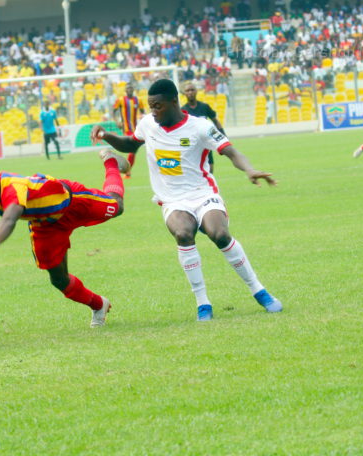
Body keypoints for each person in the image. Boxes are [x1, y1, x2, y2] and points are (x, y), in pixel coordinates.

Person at [90, 78, 282, 321]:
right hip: (172, 200)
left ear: (173, 102)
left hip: (203, 194)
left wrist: (250, 170)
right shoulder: (148, 123)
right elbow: (131, 143)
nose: (153, 111)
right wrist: (106, 135)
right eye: (150, 106)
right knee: (183, 233)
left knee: (220, 234)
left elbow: (231, 151)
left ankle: (259, 291)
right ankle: (203, 303)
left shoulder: (200, 127)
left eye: (157, 106)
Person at [0, 151, 130, 327]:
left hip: (73, 203)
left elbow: (9, 219)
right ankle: (98, 305)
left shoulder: (12, 187)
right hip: (44, 225)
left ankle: (110, 161)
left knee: (117, 206)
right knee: (58, 280)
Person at [181, 82, 226, 174]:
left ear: (196, 91)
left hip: (205, 142)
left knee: (210, 169)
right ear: (184, 93)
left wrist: (223, 136)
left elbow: (215, 121)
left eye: (192, 90)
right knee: (193, 171)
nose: (190, 92)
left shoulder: (204, 107)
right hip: (192, 144)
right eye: (187, 90)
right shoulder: (183, 110)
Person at [112, 83, 145, 177]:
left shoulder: (138, 100)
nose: (129, 90)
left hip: (136, 129)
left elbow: (143, 113)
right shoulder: (121, 100)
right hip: (126, 129)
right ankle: (127, 171)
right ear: (125, 90)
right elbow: (113, 112)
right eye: (128, 88)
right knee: (132, 150)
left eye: (131, 88)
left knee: (133, 151)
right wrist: (117, 121)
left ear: (133, 89)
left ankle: (127, 171)